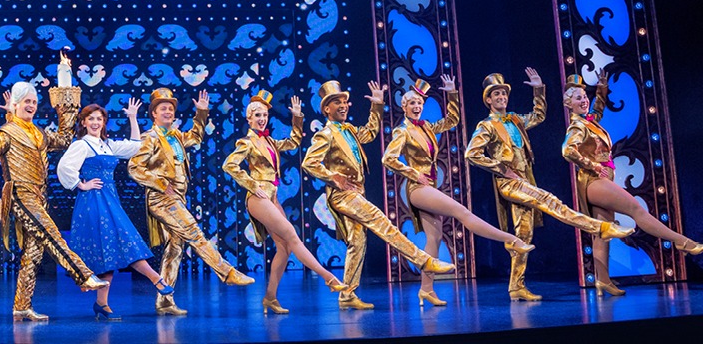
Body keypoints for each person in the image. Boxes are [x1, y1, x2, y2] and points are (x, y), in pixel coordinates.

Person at [466, 69, 633, 302]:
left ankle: (516, 286)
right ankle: (599, 227)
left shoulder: (514, 119)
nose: (501, 97)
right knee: (549, 201)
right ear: (489, 99)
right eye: (496, 94)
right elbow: (471, 154)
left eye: (504, 93)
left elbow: (538, 115)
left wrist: (538, 89)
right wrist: (502, 168)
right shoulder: (487, 126)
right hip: (509, 183)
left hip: (525, 180)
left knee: (524, 234)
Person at [302, 80, 455, 311]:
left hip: (355, 193)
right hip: (343, 195)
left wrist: (377, 105)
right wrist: (334, 177)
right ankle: (423, 260)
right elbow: (309, 163)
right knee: (381, 221)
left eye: (344, 101)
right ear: (326, 109)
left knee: (357, 242)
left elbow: (371, 133)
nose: (343, 106)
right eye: (337, 103)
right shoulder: (325, 135)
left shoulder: (350, 130)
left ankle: (347, 295)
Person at [381, 76, 533, 306]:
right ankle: (511, 240)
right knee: (462, 212)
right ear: (404, 106)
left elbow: (452, 119)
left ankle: (426, 290)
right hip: (417, 187)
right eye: (412, 104)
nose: (416, 107)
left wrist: (452, 93)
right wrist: (413, 173)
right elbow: (388, 159)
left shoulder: (427, 127)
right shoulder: (402, 131)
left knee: (434, 238)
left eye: (419, 104)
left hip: (429, 186)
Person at [0, 81, 109, 322]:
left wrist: (66, 102)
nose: (31, 105)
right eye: (27, 102)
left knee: (34, 253)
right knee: (51, 233)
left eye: (34, 102)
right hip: (19, 194)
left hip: (39, 195)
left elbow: (65, 139)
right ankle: (82, 274)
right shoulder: (6, 133)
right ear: (14, 105)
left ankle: (21, 306)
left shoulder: (40, 133)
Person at [560, 73, 702, 296]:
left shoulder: (589, 122)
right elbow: (568, 151)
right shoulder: (577, 127)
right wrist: (594, 166)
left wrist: (601, 90)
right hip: (593, 181)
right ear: (569, 104)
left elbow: (596, 111)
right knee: (636, 209)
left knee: (602, 232)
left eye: (584, 96)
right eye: (578, 98)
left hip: (602, 179)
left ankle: (603, 281)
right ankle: (682, 241)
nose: (583, 100)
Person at [127, 87, 255, 317]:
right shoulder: (150, 138)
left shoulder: (175, 135)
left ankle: (165, 300)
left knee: (175, 248)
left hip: (177, 198)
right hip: (161, 198)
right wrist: (159, 183)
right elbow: (134, 167)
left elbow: (195, 137)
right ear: (153, 114)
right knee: (194, 233)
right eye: (162, 108)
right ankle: (226, 272)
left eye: (170, 108)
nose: (168, 111)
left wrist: (201, 114)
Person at [223, 90, 348, 314]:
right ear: (249, 119)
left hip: (273, 197)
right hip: (258, 197)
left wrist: (297, 118)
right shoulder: (247, 142)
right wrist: (253, 185)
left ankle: (270, 298)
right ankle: (329, 278)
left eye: (264, 115)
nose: (262, 119)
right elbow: (229, 165)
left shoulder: (269, 140)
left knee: (284, 248)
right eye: (257, 115)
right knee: (291, 236)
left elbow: (293, 142)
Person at [57, 100, 175, 321]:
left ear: (104, 123)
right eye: (91, 118)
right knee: (114, 245)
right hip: (93, 202)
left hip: (110, 200)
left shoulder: (108, 145)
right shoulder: (82, 145)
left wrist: (132, 117)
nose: (95, 122)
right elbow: (64, 167)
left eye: (99, 119)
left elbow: (135, 145)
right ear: (83, 122)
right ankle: (156, 279)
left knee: (111, 249)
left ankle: (102, 303)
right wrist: (80, 184)